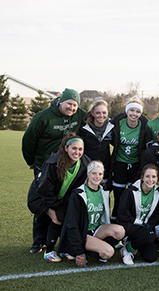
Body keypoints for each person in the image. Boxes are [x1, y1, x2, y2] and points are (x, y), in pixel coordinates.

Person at [22, 88, 85, 254]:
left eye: (75, 105)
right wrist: (30, 161)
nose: (72, 108)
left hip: (67, 164)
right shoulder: (43, 117)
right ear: (60, 101)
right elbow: (28, 140)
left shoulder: (79, 115)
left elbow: (95, 115)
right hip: (46, 165)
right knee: (45, 201)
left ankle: (58, 238)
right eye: (69, 104)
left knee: (62, 202)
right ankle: (39, 241)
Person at [27, 133, 90, 262]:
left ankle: (63, 249)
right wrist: (56, 207)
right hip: (39, 197)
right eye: (74, 148)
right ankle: (49, 250)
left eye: (80, 149)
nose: (77, 152)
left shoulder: (84, 163)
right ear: (66, 148)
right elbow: (44, 190)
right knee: (57, 217)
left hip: (58, 197)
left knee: (69, 215)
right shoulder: (52, 163)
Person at [58, 161, 125, 266]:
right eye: (94, 173)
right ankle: (84, 250)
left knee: (120, 231)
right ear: (88, 174)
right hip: (83, 233)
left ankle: (94, 247)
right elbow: (72, 223)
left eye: (100, 174)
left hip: (96, 230)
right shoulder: (78, 194)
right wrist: (79, 252)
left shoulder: (103, 192)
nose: (97, 177)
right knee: (108, 252)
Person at [110, 97, 149, 220]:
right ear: (127, 111)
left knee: (133, 195)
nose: (134, 114)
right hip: (120, 163)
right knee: (118, 195)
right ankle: (115, 219)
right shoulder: (117, 123)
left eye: (137, 111)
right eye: (131, 110)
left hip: (135, 164)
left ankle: (130, 220)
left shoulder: (144, 125)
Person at [116, 164, 159, 265]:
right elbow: (122, 214)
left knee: (151, 257)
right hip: (130, 226)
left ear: (157, 178)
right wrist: (140, 223)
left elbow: (155, 215)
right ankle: (127, 249)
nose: (150, 179)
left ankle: (133, 245)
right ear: (142, 177)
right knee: (148, 236)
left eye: (154, 177)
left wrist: (148, 227)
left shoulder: (158, 192)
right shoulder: (130, 192)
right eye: (147, 176)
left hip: (145, 229)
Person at [78, 100, 114, 183]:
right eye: (98, 113)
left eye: (104, 113)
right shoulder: (84, 129)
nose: (101, 116)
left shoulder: (112, 128)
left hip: (105, 169)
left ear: (107, 113)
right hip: (87, 168)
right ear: (92, 113)